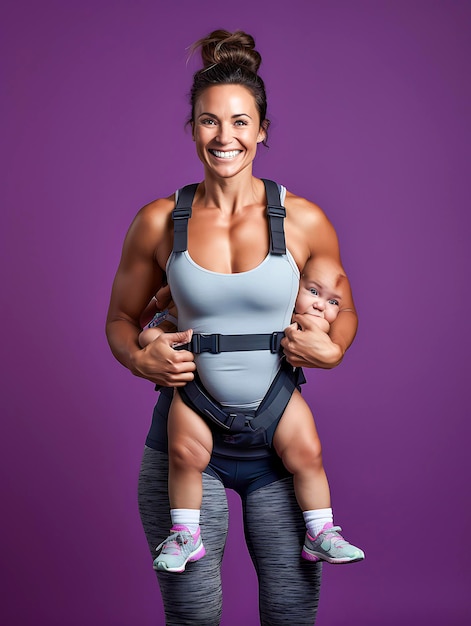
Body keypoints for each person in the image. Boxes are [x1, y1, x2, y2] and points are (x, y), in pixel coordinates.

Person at [106, 29, 359, 626]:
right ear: (192, 128)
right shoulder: (158, 221)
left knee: (292, 613)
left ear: (262, 128)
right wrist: (138, 359)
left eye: (241, 122)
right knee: (194, 616)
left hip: (277, 442)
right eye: (209, 122)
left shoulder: (302, 220)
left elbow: (341, 308)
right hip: (186, 441)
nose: (225, 137)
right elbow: (121, 320)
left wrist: (333, 348)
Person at [139, 261, 364, 572]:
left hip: (275, 401)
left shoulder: (295, 310)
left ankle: (321, 529)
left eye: (330, 302)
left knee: (308, 452)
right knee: (184, 454)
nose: (319, 304)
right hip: (197, 397)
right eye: (312, 292)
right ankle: (185, 533)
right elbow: (152, 328)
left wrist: (327, 339)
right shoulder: (194, 299)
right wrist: (151, 342)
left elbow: (336, 324)